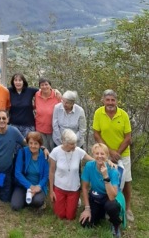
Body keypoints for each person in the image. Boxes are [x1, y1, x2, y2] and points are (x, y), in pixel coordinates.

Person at [93, 89, 133, 222]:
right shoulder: (99, 112)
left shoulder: (123, 115)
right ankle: (108, 206)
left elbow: (128, 137)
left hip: (123, 153)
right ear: (103, 100)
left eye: (113, 100)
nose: (110, 102)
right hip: (104, 153)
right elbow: (96, 134)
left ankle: (127, 208)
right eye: (108, 99)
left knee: (126, 180)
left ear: (116, 101)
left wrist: (118, 153)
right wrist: (109, 152)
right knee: (106, 178)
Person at [79, 143, 126, 237]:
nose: (99, 156)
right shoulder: (89, 166)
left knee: (111, 206)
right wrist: (87, 209)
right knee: (86, 224)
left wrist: (105, 176)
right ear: (93, 154)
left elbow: (112, 196)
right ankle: (102, 213)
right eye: (97, 153)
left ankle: (115, 223)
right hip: (96, 196)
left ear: (107, 155)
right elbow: (84, 187)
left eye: (102, 153)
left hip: (111, 197)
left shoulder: (113, 170)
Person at [49, 129, 96, 220]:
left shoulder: (78, 151)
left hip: (73, 188)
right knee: (60, 215)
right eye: (71, 144)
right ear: (64, 142)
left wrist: (106, 161)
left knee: (70, 217)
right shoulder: (55, 151)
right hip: (59, 187)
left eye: (75, 143)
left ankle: (75, 200)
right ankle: (63, 201)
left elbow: (92, 160)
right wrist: (51, 191)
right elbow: (51, 172)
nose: (74, 146)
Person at [11, 132, 49, 211]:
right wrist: (30, 186)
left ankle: (31, 198)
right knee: (15, 206)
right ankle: (25, 198)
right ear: (27, 143)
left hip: (37, 186)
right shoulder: (22, 152)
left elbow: (46, 176)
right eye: (30, 143)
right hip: (23, 185)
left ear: (40, 145)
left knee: (37, 201)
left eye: (36, 143)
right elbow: (17, 173)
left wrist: (39, 186)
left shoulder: (44, 155)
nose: (33, 146)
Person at [8, 73, 39, 137]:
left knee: (28, 145)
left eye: (20, 80)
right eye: (15, 80)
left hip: (28, 126)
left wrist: (55, 90)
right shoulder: (9, 91)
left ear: (23, 82)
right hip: (13, 125)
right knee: (15, 146)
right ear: (13, 82)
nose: (18, 82)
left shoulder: (30, 91)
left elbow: (44, 90)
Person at [34, 78, 60, 151]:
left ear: (50, 86)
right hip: (40, 129)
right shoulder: (37, 95)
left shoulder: (56, 95)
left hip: (53, 130)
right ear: (39, 87)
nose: (44, 87)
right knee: (43, 150)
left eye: (46, 84)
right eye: (42, 85)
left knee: (53, 151)